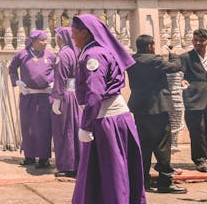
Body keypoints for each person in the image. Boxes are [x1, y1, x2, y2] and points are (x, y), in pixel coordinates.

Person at [70, 14, 146, 204]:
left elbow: (95, 93)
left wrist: (85, 125)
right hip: (111, 117)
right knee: (110, 171)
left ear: (85, 33)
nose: (72, 37)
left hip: (106, 120)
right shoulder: (98, 51)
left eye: (74, 33)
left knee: (112, 173)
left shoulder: (93, 55)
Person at [127, 34, 187, 194]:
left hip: (140, 109)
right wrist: (173, 55)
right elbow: (175, 67)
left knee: (144, 146)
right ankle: (165, 182)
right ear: (150, 46)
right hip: (158, 108)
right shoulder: (155, 60)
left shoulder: (132, 61)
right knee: (162, 146)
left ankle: (143, 182)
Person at [9, 30, 55, 169]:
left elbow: (60, 71)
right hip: (28, 96)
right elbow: (12, 69)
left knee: (44, 128)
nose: (45, 42)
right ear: (33, 41)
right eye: (42, 40)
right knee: (28, 127)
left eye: (46, 39)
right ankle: (29, 157)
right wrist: (17, 82)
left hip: (45, 97)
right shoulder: (22, 55)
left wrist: (55, 83)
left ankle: (43, 158)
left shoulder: (51, 56)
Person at [50, 27, 81, 178]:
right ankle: (77, 163)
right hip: (74, 94)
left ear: (60, 38)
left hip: (65, 96)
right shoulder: (74, 53)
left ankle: (67, 165)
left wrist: (56, 98)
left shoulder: (63, 54)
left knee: (64, 131)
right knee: (74, 130)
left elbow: (60, 79)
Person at [180, 28, 207, 172]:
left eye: (201, 40)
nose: (198, 43)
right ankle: (200, 160)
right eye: (195, 40)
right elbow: (180, 74)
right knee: (197, 131)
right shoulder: (186, 57)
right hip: (194, 99)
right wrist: (182, 81)